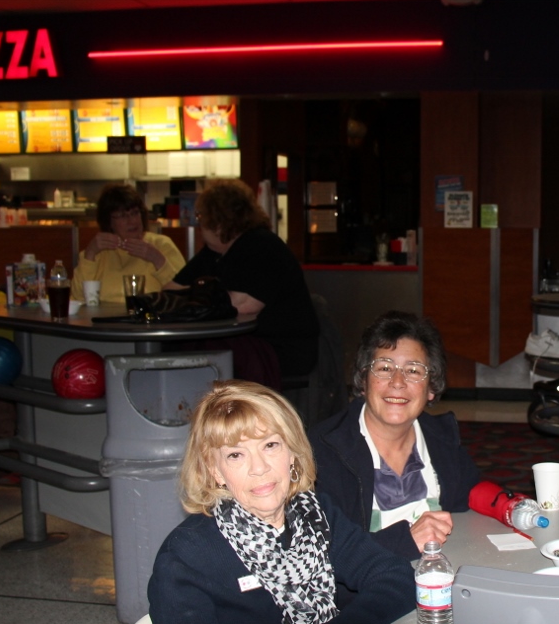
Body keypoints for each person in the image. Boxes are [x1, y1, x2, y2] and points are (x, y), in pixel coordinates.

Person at [147, 380, 411, 624]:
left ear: (292, 453)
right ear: (214, 471)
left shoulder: (315, 514)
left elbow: (396, 579)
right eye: (236, 455)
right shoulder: (186, 558)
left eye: (270, 445)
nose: (260, 468)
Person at [310, 311, 478, 561]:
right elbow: (324, 552)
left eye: (413, 370)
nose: (398, 382)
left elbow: (472, 497)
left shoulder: (441, 438)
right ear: (363, 381)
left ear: (431, 388)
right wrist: (406, 541)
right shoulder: (320, 452)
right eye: (385, 368)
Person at [166, 178, 318, 390]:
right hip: (254, 344)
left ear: (218, 222)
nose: (198, 226)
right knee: (181, 349)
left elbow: (242, 306)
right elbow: (171, 290)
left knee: (192, 354)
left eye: (201, 218)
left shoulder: (261, 246)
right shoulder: (215, 252)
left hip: (281, 349)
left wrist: (194, 298)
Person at [71, 183, 185, 304]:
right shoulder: (98, 252)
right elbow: (78, 298)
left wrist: (157, 259)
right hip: (103, 321)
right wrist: (90, 253)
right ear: (108, 221)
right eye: (123, 216)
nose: (132, 221)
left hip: (151, 320)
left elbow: (185, 294)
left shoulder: (161, 244)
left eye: (135, 213)